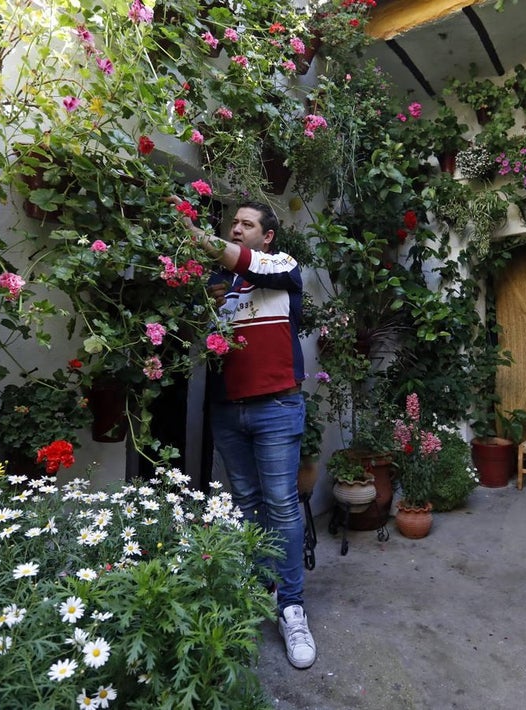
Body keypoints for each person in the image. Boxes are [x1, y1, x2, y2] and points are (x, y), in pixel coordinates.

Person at [185, 200, 316, 670]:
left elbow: (243, 261)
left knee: (280, 503)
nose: (237, 229)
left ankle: (291, 609)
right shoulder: (216, 285)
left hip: (277, 405)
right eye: (232, 224)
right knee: (246, 503)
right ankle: (263, 591)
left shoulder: (282, 267)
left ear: (267, 236)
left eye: (247, 224)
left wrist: (195, 236)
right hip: (227, 408)